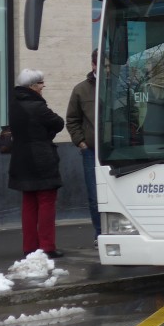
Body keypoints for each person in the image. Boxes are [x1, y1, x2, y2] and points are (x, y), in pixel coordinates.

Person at [8, 68, 65, 258]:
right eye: (40, 83)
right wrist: (46, 135)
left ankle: (29, 246)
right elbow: (58, 123)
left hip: (21, 160)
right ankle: (47, 246)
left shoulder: (15, 105)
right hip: (42, 161)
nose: (43, 86)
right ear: (32, 86)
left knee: (29, 204)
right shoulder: (38, 107)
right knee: (46, 203)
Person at [66, 49, 101, 242]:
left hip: (117, 149)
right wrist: (81, 142)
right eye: (102, 64)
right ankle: (100, 233)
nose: (106, 69)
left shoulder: (119, 86)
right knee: (94, 195)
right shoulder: (81, 89)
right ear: (93, 65)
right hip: (91, 150)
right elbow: (72, 119)